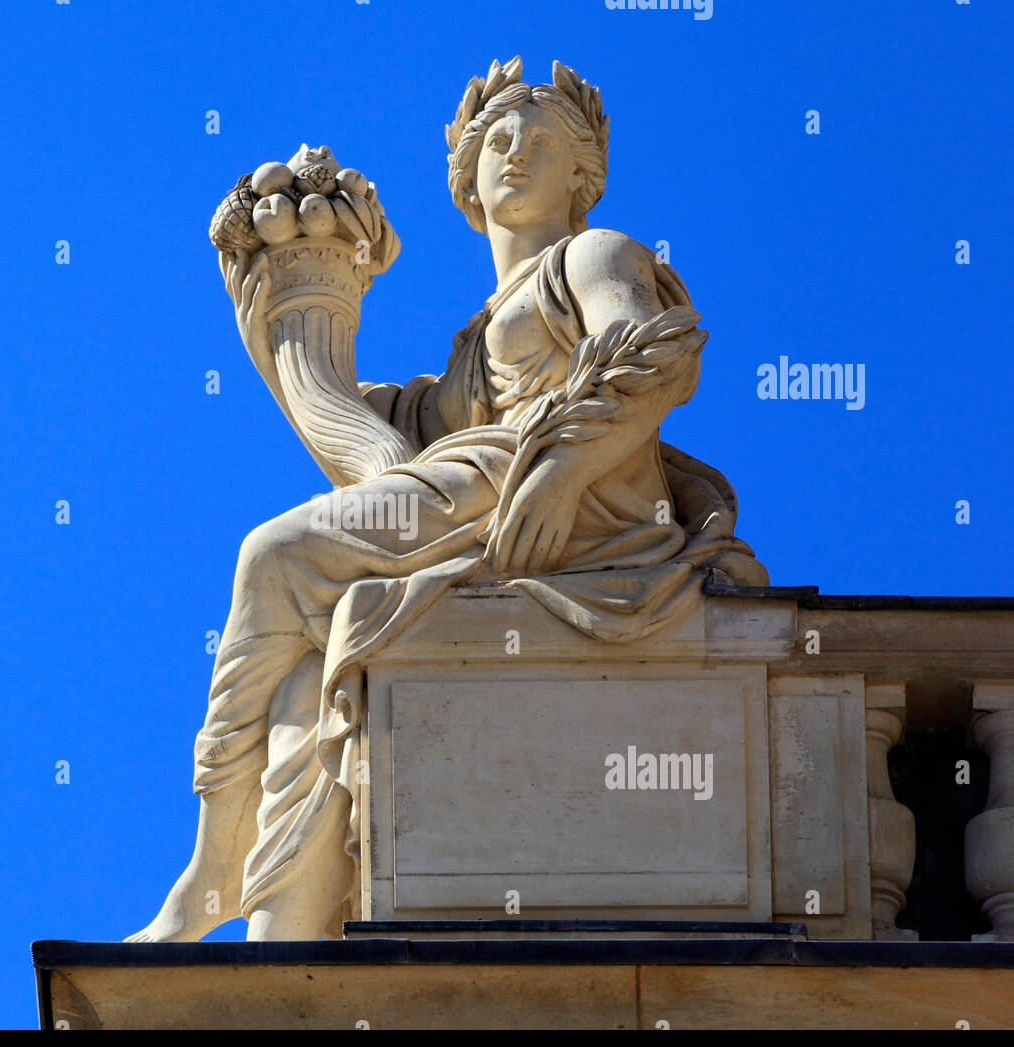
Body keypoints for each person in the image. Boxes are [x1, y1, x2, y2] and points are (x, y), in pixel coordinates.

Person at [127, 57, 766, 943]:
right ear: (465, 177)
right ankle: (282, 924)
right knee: (308, 684)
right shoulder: (467, 355)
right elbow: (370, 444)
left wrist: (562, 470)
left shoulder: (594, 252)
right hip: (481, 486)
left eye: (538, 142)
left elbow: (652, 347)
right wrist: (285, 312)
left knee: (272, 558)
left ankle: (208, 872)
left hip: (540, 481)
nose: (512, 154)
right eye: (495, 141)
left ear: (583, 175)